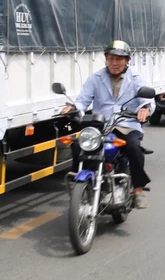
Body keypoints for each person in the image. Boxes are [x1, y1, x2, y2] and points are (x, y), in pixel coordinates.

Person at [60, 40, 154, 209]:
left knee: (134, 147)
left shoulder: (136, 78)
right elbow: (83, 100)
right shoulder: (96, 78)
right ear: (106, 59)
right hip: (100, 126)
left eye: (119, 59)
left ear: (127, 60)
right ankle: (79, 182)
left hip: (126, 124)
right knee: (77, 145)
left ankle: (138, 190)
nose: (114, 63)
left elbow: (146, 100)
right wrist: (73, 108)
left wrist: (144, 109)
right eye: (111, 58)